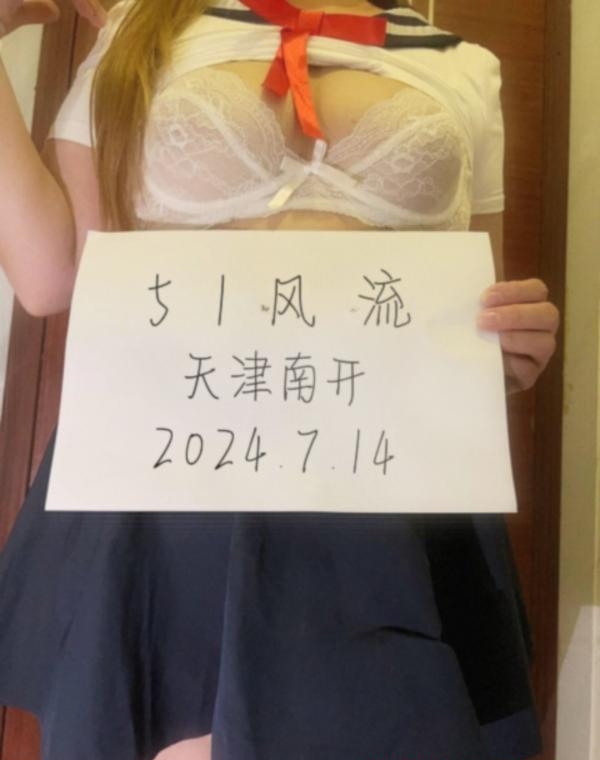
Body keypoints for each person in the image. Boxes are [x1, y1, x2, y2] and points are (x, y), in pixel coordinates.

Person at [0, 1, 560, 759]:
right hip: (170, 488)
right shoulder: (140, 28)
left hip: (379, 505)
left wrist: (507, 346)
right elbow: (49, 275)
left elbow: (469, 312)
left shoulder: (464, 64)